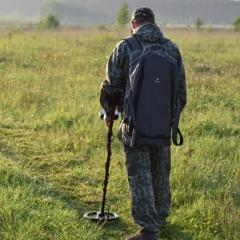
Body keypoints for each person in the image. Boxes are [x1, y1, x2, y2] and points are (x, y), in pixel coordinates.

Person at [100, 7, 187, 240]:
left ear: (133, 23)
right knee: (160, 174)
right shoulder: (171, 48)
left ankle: (148, 231)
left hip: (134, 127)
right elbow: (181, 94)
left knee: (140, 178)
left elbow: (112, 87)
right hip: (162, 127)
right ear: (153, 23)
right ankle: (160, 221)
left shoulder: (125, 46)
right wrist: (166, 118)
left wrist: (111, 112)